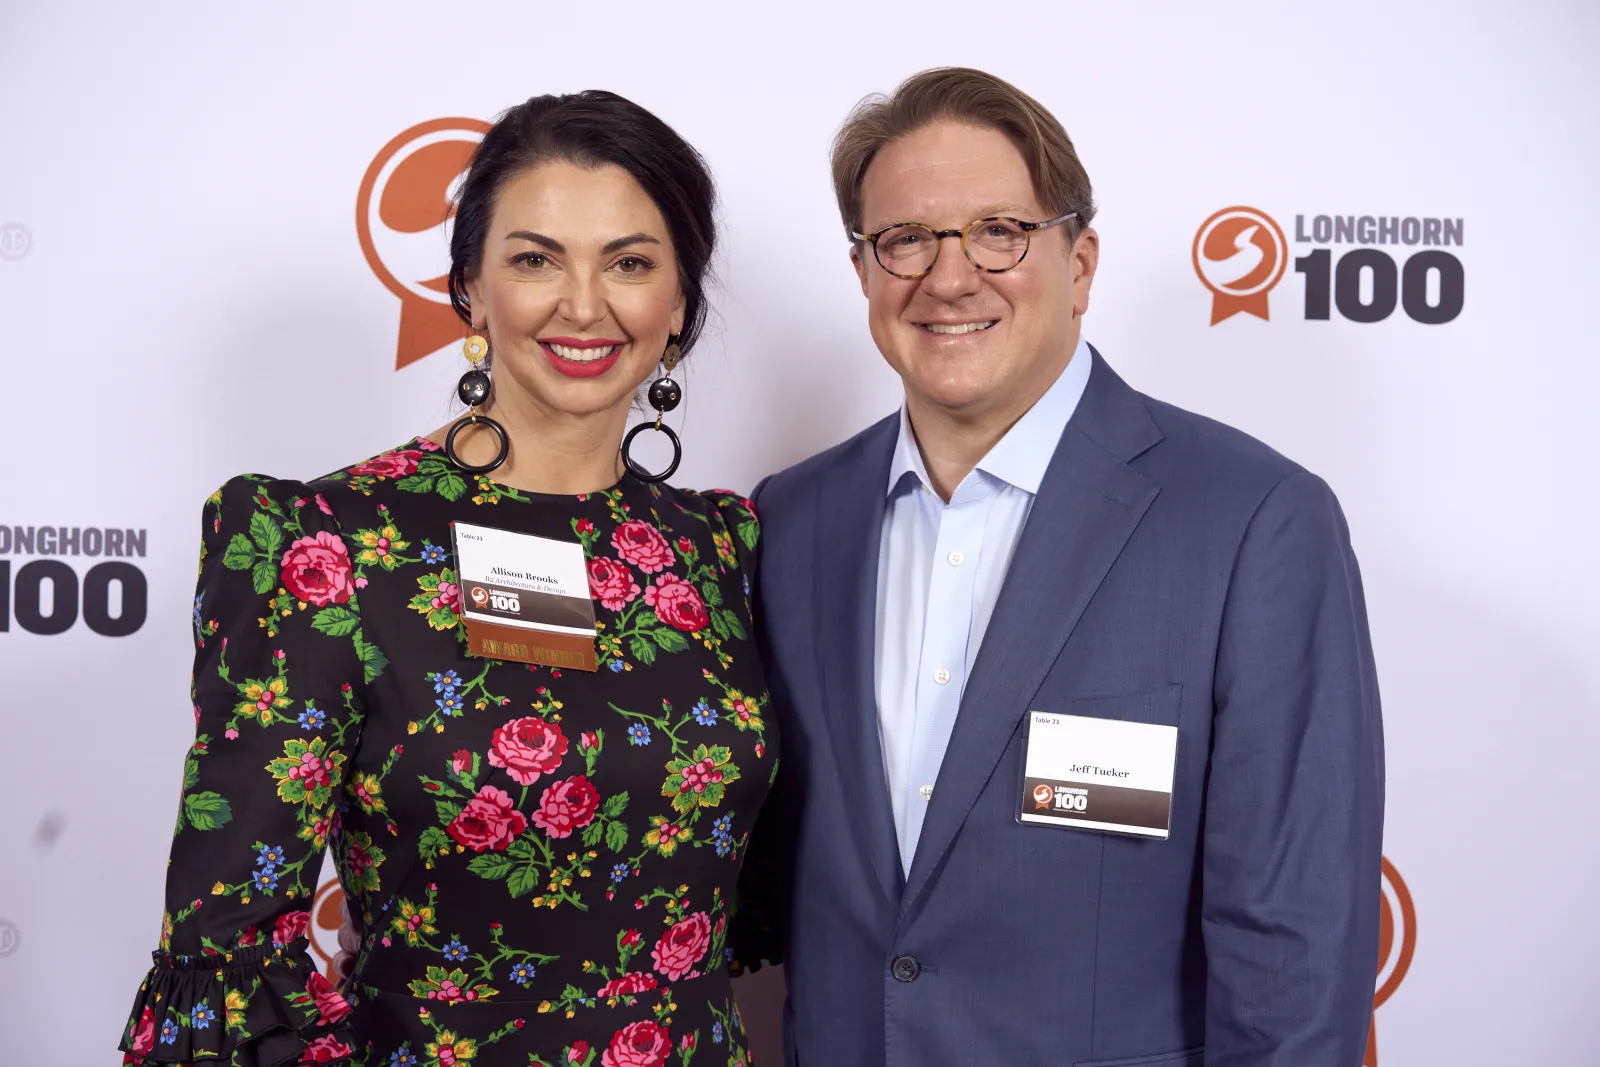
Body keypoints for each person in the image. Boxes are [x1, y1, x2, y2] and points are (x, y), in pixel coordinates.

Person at [733, 67, 1385, 1066]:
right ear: (864, 270)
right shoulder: (790, 516)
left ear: (1079, 263)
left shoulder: (1254, 519)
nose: (949, 278)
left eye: (999, 230)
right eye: (904, 238)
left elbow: (1293, 947)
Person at [119, 91, 773, 1066]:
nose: (583, 303)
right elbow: (227, 944)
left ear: (677, 301)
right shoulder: (326, 544)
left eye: (629, 262)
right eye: (535, 258)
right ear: (469, 287)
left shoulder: (728, 547)